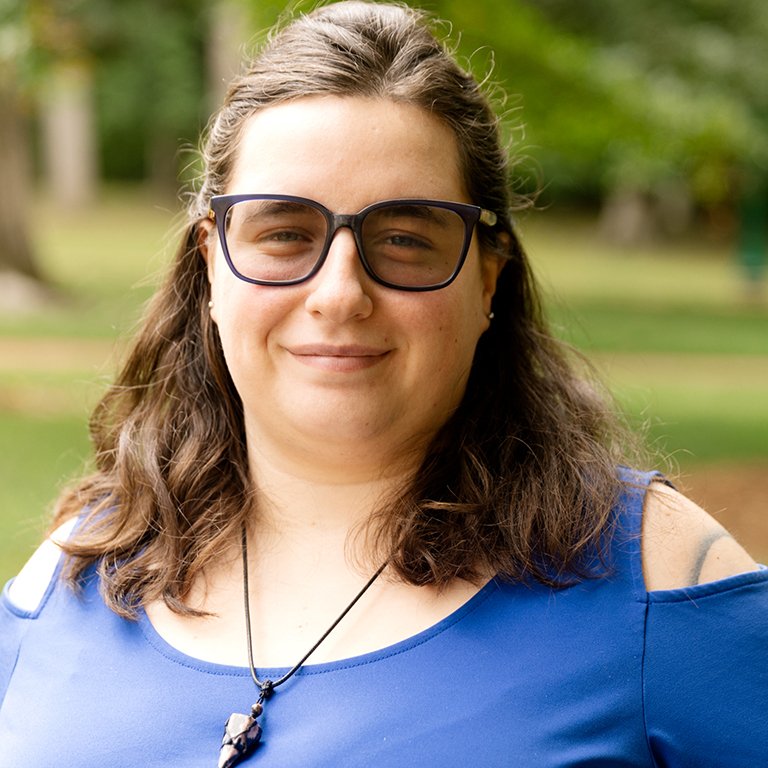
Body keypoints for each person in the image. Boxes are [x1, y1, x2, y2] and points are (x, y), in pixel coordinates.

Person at [1, 2, 766, 766]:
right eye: (284, 233)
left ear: (488, 281)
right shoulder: (72, 575)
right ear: (210, 263)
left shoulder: (654, 576)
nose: (339, 293)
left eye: (403, 239)